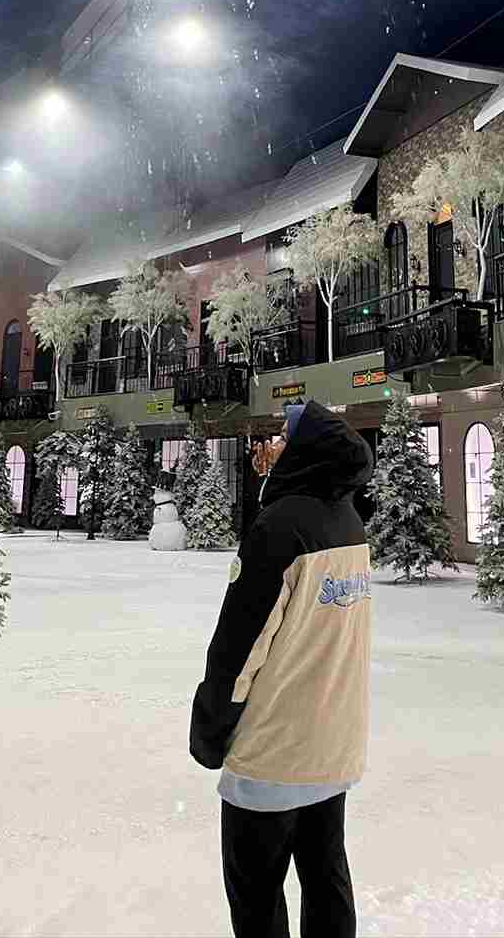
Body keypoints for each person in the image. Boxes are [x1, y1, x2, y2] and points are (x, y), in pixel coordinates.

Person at [190, 399, 374, 938]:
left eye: (284, 438)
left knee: (256, 896)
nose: (274, 447)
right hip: (331, 747)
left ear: (306, 451)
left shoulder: (280, 528)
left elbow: (239, 646)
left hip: (273, 755)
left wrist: (210, 729)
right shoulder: (349, 523)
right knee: (327, 879)